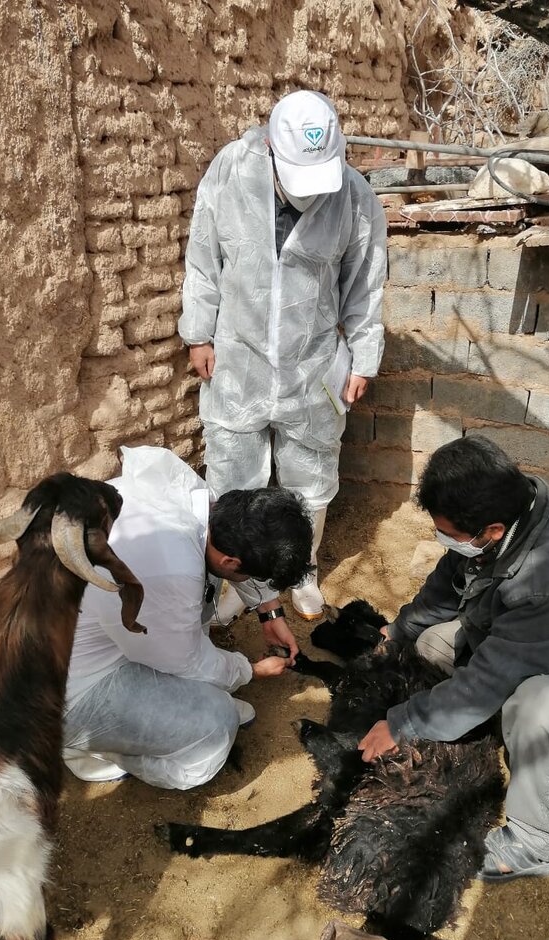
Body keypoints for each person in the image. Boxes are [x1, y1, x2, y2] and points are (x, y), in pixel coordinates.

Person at [358, 434, 549, 881]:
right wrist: (400, 632)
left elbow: (487, 683)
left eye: (451, 535)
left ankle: (537, 844)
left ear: (493, 531)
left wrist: (402, 723)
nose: (444, 541)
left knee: (537, 703)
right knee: (432, 644)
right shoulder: (516, 508)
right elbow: (449, 582)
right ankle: (489, 725)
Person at [178, 89, 386, 621]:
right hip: (238, 356)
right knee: (232, 475)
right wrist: (198, 335)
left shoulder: (353, 195)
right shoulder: (230, 171)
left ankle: (302, 569)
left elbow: (366, 281)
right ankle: (237, 580)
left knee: (310, 475)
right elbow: (202, 259)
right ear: (271, 147)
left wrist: (364, 357)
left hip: (312, 361)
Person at [63, 445, 312, 790]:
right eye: (250, 574)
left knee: (203, 646)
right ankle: (90, 746)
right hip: (74, 690)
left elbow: (232, 557)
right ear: (231, 563)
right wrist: (250, 670)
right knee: (215, 730)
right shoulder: (169, 569)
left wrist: (269, 612)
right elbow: (186, 661)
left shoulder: (198, 500)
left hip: (103, 638)